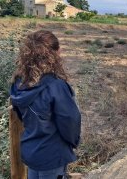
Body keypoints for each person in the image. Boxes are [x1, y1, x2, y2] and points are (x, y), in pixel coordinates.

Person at [10, 30, 81, 179]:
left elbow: (20, 114)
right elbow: (70, 121)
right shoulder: (56, 86)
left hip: (30, 150)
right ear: (54, 54)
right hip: (52, 155)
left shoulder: (19, 83)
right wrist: (73, 142)